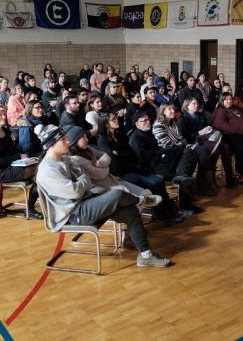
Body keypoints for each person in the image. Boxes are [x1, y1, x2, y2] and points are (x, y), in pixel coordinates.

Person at [35, 124, 172, 267]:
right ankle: (141, 200)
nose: (67, 142)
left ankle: (146, 256)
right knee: (118, 194)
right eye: (63, 140)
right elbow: (75, 191)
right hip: (74, 214)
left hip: (87, 202)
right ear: (51, 144)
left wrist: (82, 181)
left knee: (130, 211)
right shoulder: (47, 170)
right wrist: (83, 180)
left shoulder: (66, 160)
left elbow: (87, 178)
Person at [128, 110, 202, 213]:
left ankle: (182, 179)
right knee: (184, 158)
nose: (148, 122)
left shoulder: (148, 134)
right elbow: (143, 158)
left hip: (161, 162)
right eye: (144, 120)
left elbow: (157, 150)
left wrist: (164, 152)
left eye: (148, 120)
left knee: (187, 152)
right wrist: (161, 153)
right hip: (152, 168)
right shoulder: (135, 138)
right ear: (137, 124)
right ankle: (184, 202)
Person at [0, 105, 43, 220]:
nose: (4, 117)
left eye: (4, 114)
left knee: (40, 169)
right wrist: (18, 156)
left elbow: (13, 151)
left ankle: (32, 206)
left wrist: (26, 157)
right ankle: (31, 208)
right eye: (0, 115)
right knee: (40, 172)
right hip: (1, 172)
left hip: (15, 164)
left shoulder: (4, 130)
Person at [153, 103, 218, 196]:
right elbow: (166, 144)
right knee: (194, 153)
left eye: (173, 109)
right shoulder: (158, 125)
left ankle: (202, 182)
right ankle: (198, 184)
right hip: (170, 153)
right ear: (163, 111)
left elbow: (182, 138)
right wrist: (183, 145)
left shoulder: (172, 123)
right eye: (169, 109)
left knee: (203, 150)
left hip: (181, 147)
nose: (173, 111)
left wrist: (184, 144)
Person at [178, 97, 238, 187]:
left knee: (224, 145)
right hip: (194, 142)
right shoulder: (182, 118)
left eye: (197, 103)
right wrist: (199, 132)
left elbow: (207, 126)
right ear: (187, 106)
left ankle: (224, 177)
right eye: (193, 103)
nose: (196, 105)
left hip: (205, 139)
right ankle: (210, 179)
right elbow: (184, 136)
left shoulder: (200, 115)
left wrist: (208, 128)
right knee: (220, 146)